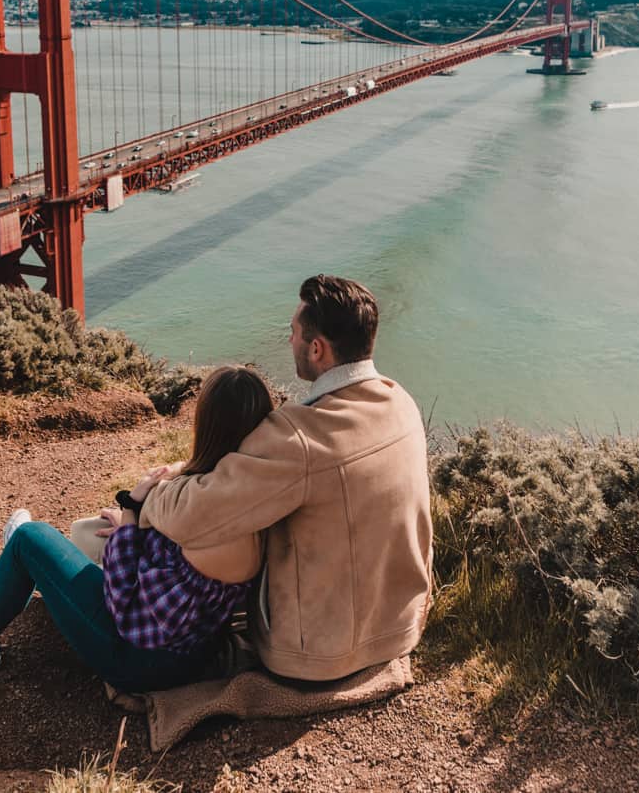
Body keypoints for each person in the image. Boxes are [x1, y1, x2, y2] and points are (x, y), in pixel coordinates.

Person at [122, 274, 433, 683]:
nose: (288, 341)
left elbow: (192, 516)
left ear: (317, 348)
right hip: (399, 630)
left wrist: (148, 497)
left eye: (293, 333)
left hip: (318, 656)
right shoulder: (401, 403)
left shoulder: (299, 437)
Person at [0, 365, 273, 693]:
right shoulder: (257, 498)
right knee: (64, 542)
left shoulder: (202, 519)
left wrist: (132, 517)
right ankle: (18, 576)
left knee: (28, 538)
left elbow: (128, 611)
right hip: (194, 650)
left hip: (140, 661)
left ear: (206, 424)